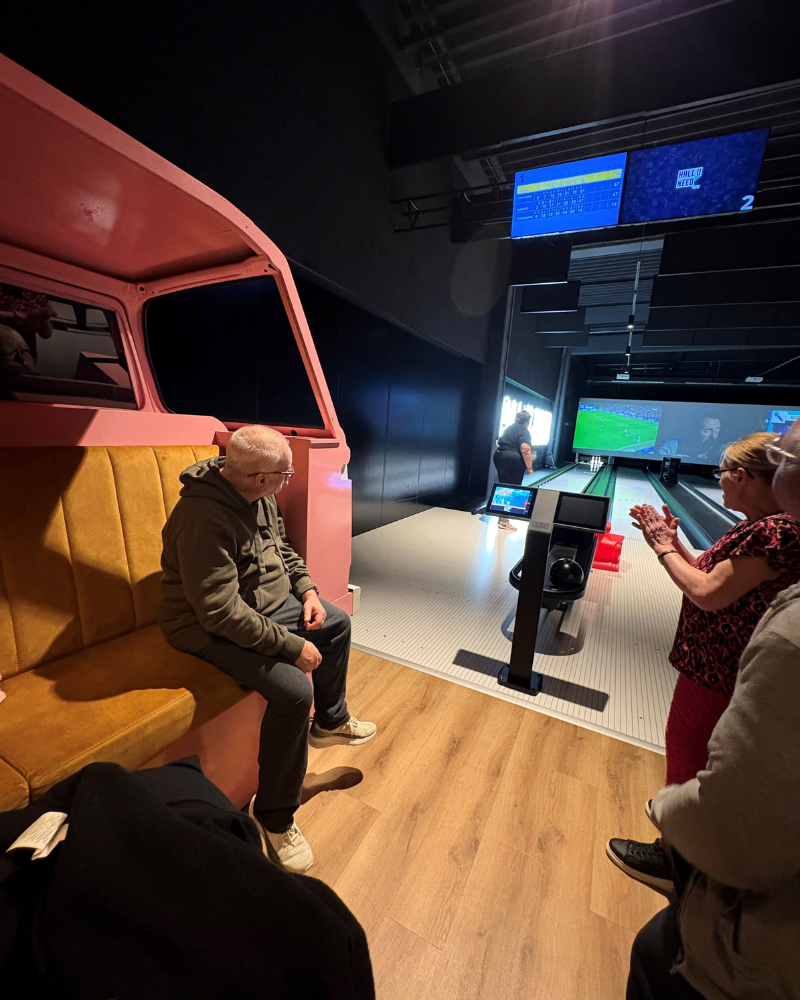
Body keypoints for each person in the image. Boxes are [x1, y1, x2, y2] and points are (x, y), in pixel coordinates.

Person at [627, 418, 800, 999]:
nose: (717, 478)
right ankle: (678, 858)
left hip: (716, 673)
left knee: (689, 757)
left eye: (723, 471)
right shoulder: (762, 527)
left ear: (747, 477)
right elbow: (711, 571)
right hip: (716, 668)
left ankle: (679, 864)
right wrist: (676, 545)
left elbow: (705, 592)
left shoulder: (776, 531)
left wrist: (661, 548)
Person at [159, 424, 377, 874]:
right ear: (261, 478)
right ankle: (276, 816)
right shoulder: (202, 520)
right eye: (286, 474)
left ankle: (330, 721)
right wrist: (293, 647)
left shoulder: (259, 495)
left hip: (264, 606)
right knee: (294, 691)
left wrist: (309, 592)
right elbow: (219, 613)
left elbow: (283, 551)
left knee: (336, 623)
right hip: (203, 627)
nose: (288, 480)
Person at [492, 410, 534, 531]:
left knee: (504, 486)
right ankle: (504, 521)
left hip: (499, 455)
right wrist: (530, 467)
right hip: (512, 459)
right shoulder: (524, 431)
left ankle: (501, 517)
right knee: (512, 488)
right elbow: (525, 449)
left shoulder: (510, 428)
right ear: (527, 421)